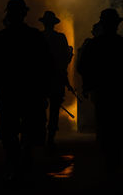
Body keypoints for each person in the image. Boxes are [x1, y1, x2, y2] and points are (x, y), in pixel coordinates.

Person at [0, 0, 53, 180]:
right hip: (29, 93)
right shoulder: (34, 36)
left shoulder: (1, 37)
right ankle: (24, 161)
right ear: (24, 14)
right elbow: (46, 65)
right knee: (27, 130)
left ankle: (15, 163)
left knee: (10, 131)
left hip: (11, 93)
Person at [77, 9, 123, 174]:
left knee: (104, 124)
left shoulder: (95, 45)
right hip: (117, 93)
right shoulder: (120, 44)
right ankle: (115, 159)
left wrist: (88, 85)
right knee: (116, 125)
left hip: (102, 92)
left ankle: (109, 159)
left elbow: (82, 67)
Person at [38, 11, 72, 148]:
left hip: (40, 79)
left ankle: (42, 136)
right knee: (53, 110)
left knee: (40, 109)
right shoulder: (60, 38)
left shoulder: (38, 37)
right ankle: (50, 138)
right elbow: (64, 59)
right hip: (56, 78)